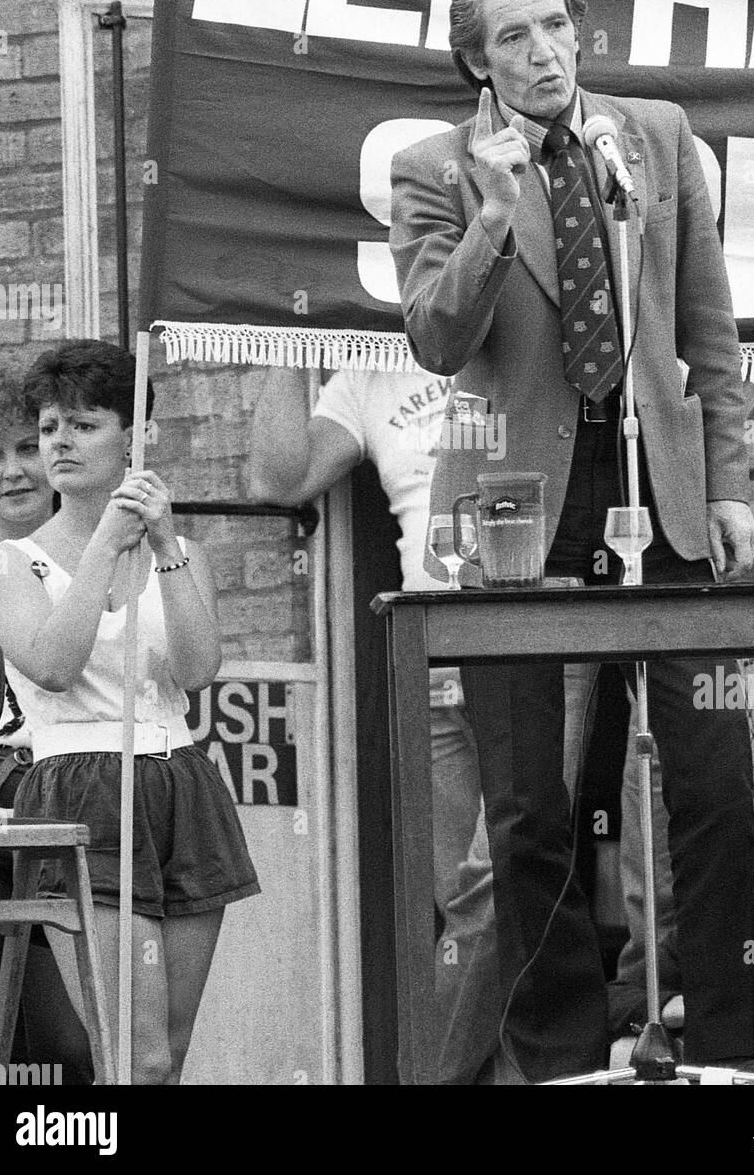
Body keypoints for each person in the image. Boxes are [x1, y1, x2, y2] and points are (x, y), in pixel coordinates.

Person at [389, 0, 754, 1082]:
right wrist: (494, 213)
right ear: (477, 60)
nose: (544, 52)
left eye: (555, 28)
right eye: (514, 38)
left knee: (711, 781)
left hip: (660, 489)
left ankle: (735, 1056)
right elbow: (436, 339)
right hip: (516, 512)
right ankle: (556, 1058)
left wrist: (734, 486)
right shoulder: (435, 166)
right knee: (527, 806)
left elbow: (709, 329)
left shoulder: (650, 135)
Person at [0, 339, 260, 1085]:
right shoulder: (13, 558)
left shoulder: (186, 551)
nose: (59, 444)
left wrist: (164, 543)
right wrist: (104, 539)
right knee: (134, 1055)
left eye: (84, 424)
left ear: (134, 436)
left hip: (181, 782)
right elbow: (51, 664)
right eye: (49, 429)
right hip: (78, 784)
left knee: (167, 1055)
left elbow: (199, 671)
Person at [247, 363, 500, 1084]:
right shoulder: (367, 371)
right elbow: (278, 480)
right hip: (432, 656)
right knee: (466, 900)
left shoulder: (522, 316)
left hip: (535, 637)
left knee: (511, 881)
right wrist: (286, 339)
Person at [0, 353, 92, 1081]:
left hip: (83, 801)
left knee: (110, 1043)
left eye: (26, 447)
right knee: (50, 1047)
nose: (12, 470)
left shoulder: (101, 552)